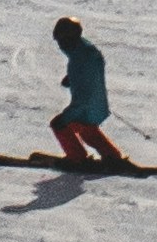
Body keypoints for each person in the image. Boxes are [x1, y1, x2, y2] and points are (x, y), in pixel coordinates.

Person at [49, 14, 128, 170]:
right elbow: (91, 70)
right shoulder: (86, 51)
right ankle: (111, 155)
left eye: (61, 41)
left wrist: (72, 111)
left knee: (60, 124)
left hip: (85, 107)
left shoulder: (79, 58)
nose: (60, 45)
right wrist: (72, 78)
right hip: (98, 106)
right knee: (86, 129)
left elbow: (83, 94)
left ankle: (76, 158)